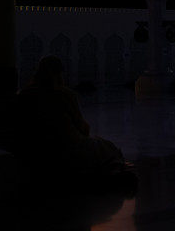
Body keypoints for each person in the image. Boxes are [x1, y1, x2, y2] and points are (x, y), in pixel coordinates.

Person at [14, 56, 133, 187]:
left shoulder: (24, 95)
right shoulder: (65, 94)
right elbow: (83, 129)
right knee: (108, 148)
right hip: (69, 151)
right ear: (59, 73)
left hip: (37, 152)